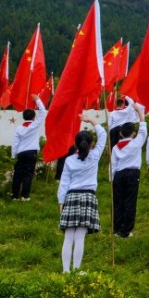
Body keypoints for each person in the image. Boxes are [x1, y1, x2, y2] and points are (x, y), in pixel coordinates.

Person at [58, 116, 107, 273]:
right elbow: (104, 135)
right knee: (80, 237)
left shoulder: (70, 160)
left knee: (68, 236)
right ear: (91, 144)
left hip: (71, 197)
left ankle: (66, 271)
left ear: (76, 144)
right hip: (88, 197)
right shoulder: (94, 156)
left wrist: (61, 201)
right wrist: (91, 121)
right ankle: (77, 269)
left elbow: (64, 182)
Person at [110, 105, 146, 238]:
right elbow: (143, 129)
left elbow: (112, 165)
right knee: (130, 201)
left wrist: (111, 179)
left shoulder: (115, 147)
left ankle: (116, 228)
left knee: (118, 202)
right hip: (132, 174)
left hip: (118, 175)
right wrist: (140, 113)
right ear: (134, 133)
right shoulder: (136, 143)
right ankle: (126, 231)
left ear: (120, 133)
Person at [10, 94, 47, 201]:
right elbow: (43, 112)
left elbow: (15, 142)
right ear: (34, 117)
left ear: (23, 117)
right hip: (32, 152)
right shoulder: (34, 125)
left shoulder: (19, 128)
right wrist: (38, 100)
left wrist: (13, 154)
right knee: (28, 174)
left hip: (21, 153)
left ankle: (15, 195)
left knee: (18, 174)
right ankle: (25, 196)